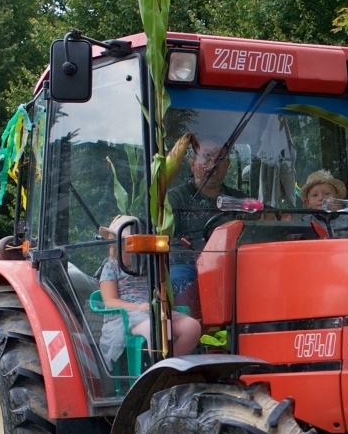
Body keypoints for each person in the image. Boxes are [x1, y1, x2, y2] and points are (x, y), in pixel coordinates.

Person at [98, 215, 202, 366]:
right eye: (112, 246)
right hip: (127, 316)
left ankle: (168, 367)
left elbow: (160, 290)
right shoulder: (110, 267)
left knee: (192, 327)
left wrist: (161, 299)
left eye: (120, 246)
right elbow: (110, 301)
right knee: (155, 329)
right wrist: (138, 307)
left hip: (153, 310)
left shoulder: (150, 266)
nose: (113, 251)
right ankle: (156, 372)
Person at [164, 134, 245, 300]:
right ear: (192, 164)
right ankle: (185, 325)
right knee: (179, 281)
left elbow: (273, 216)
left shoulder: (239, 200)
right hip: (187, 265)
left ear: (228, 165)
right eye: (207, 157)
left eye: (220, 158)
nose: (213, 164)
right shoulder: (174, 199)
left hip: (231, 265)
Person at [301, 169, 348, 238]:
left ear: (336, 198)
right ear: (308, 202)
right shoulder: (304, 223)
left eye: (327, 194)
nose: (321, 198)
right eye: (315, 195)